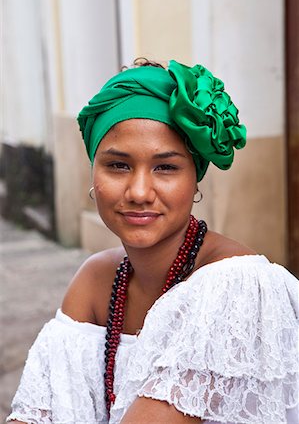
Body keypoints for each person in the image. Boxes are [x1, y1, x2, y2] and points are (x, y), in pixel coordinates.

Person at [7, 59, 298, 424]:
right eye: (118, 166)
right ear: (93, 173)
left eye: (165, 167)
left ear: (195, 179)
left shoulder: (236, 286)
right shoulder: (96, 280)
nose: (140, 192)